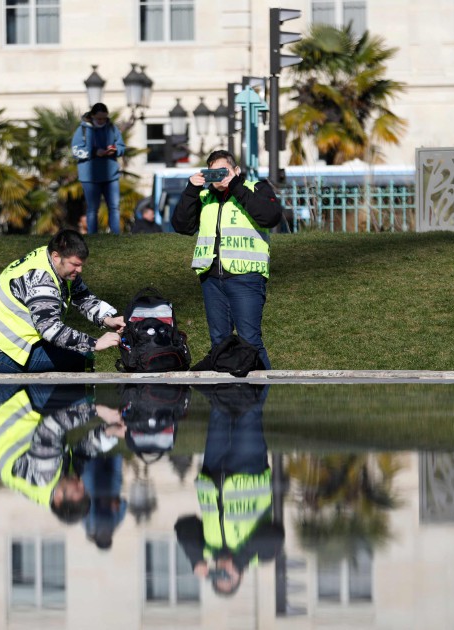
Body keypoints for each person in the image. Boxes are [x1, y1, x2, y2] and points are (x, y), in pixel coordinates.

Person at [172, 149, 283, 369]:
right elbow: (182, 226)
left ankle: (259, 397)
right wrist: (192, 189)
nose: (219, 177)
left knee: (250, 341)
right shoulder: (204, 197)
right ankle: (224, 399)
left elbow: (270, 216)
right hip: (212, 278)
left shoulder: (255, 188)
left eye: (224, 171)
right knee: (219, 344)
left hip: (246, 276)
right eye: (213, 173)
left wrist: (235, 186)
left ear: (236, 171)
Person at [174, 384, 284, 597]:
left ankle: (224, 363)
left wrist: (196, 560)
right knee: (250, 412)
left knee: (219, 409)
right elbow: (275, 536)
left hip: (214, 468)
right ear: (240, 577)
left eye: (219, 577)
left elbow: (183, 526)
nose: (224, 573)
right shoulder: (258, 556)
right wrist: (240, 560)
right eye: (229, 579)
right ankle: (255, 358)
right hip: (249, 469)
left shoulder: (208, 549)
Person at [0, 229, 124, 373]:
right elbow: (50, 329)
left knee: (74, 355)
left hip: (5, 342)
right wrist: (94, 343)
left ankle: (53, 399)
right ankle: (77, 402)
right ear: (56, 257)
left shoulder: (55, 261)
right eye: (75, 265)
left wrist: (108, 319)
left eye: (81, 265)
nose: (79, 270)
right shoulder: (41, 279)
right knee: (81, 357)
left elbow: (81, 296)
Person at [0, 384, 124, 524]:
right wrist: (111, 432)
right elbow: (83, 452)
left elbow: (50, 428)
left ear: (58, 498)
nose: (81, 483)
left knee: (80, 395)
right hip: (9, 410)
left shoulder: (43, 477)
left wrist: (96, 410)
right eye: (84, 489)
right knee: (76, 372)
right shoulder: (60, 483)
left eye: (77, 490)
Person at [71, 103, 126, 234]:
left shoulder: (112, 128)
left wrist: (116, 150)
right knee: (92, 209)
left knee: (114, 207)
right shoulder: (83, 130)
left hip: (111, 176)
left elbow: (122, 147)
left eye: (104, 118)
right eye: (99, 118)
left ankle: (116, 235)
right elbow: (75, 151)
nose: (102, 121)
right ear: (92, 116)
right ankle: (93, 236)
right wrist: (94, 152)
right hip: (89, 177)